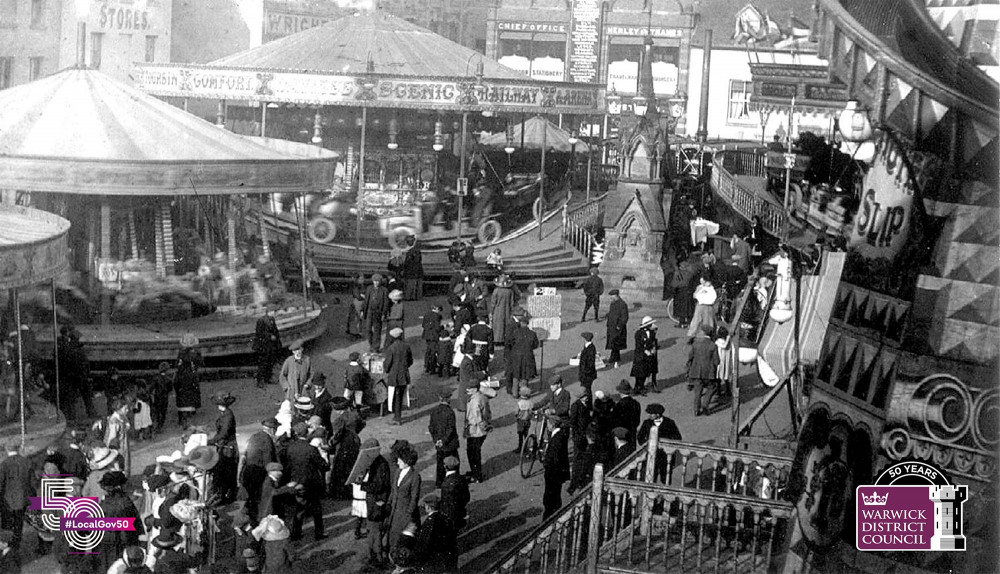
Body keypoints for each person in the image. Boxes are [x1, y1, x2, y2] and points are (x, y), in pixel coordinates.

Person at [281, 423, 328, 541]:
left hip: (296, 482)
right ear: (306, 433)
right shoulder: (311, 449)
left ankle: (296, 533)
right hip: (311, 483)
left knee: (299, 509)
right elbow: (323, 465)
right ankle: (319, 533)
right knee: (317, 509)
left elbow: (287, 467)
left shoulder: (290, 448)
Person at [97, 470, 144, 572]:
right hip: (123, 540)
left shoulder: (106, 503)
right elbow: (135, 524)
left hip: (108, 540)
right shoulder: (125, 501)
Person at [361, 442, 392, 569]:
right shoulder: (378, 463)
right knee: (373, 530)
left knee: (376, 532)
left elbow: (378, 486)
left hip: (377, 503)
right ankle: (374, 556)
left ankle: (377, 558)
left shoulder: (380, 465)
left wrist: (363, 486)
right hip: (374, 503)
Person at [242, 418, 278, 524]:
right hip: (259, 474)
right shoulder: (267, 440)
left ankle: (252, 520)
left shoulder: (255, 436)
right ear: (272, 429)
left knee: (251, 499)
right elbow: (268, 461)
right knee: (261, 499)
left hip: (248, 471)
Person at [387, 446, 421, 554]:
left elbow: (415, 497)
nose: (398, 462)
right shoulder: (398, 472)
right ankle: (392, 555)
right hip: (395, 509)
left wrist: (409, 513)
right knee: (393, 533)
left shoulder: (415, 476)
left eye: (400, 460)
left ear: (407, 461)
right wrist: (389, 503)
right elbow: (393, 490)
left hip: (405, 511)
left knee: (402, 536)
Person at [0, 442, 33, 553]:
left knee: (7, 525)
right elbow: (32, 483)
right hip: (22, 500)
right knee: (19, 524)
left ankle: (8, 548)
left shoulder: (3, 465)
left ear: (6, 450)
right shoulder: (27, 462)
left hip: (7, 502)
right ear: (18, 449)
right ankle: (16, 546)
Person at [412, 493, 458, 573]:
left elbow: (424, 545)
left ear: (428, 507)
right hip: (446, 559)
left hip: (432, 563)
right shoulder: (446, 519)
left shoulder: (429, 523)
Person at [429, 390, 460, 488]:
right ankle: (453, 482)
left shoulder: (434, 411)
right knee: (453, 462)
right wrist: (443, 440)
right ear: (448, 399)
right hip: (449, 444)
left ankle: (439, 482)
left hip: (439, 444)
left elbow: (431, 427)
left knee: (440, 464)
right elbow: (451, 429)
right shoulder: (450, 412)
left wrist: (436, 440)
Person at [383, 327, 413, 425]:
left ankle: (396, 417)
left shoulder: (391, 348)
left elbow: (387, 363)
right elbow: (410, 361)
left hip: (394, 375)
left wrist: (386, 370)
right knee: (400, 395)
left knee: (394, 395)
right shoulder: (406, 346)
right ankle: (398, 416)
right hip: (404, 374)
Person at [690, 324, 721, 416]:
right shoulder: (713, 345)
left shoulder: (696, 343)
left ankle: (696, 409)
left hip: (696, 372)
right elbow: (717, 361)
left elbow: (690, 357)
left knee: (698, 391)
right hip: (708, 373)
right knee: (712, 387)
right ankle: (705, 405)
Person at [542, 417, 570, 519]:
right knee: (555, 497)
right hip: (557, 475)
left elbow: (554, 459)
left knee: (550, 500)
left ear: (552, 425)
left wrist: (546, 464)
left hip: (553, 475)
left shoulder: (556, 439)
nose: (547, 426)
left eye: (548, 424)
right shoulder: (561, 435)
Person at [505, 314, 539, 396]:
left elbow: (510, 342)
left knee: (516, 375)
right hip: (528, 356)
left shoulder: (516, 332)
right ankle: (524, 393)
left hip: (516, 356)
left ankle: (515, 393)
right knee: (525, 375)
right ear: (527, 323)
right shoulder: (532, 334)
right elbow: (535, 345)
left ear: (520, 323)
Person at [463, 384, 491, 484]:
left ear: (475, 389)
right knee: (475, 452)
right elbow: (487, 412)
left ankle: (476, 475)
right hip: (481, 430)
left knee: (472, 453)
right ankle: (475, 472)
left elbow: (477, 416)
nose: (467, 389)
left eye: (469, 388)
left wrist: (483, 426)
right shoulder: (483, 397)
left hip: (475, 430)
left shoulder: (474, 401)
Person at [174, 333, 203, 428]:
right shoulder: (195, 354)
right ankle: (188, 415)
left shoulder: (181, 354)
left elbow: (176, 364)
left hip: (181, 377)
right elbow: (200, 362)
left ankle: (181, 418)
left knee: (181, 396)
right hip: (191, 377)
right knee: (191, 395)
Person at [252, 314, 283, 389]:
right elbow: (259, 333)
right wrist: (269, 336)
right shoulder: (260, 321)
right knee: (262, 364)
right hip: (263, 346)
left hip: (271, 346)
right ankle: (259, 381)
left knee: (270, 363)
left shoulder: (272, 319)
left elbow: (276, 331)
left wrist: (278, 343)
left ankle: (268, 378)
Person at [439, 456, 469, 532]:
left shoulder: (446, 482)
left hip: (449, 513)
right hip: (460, 510)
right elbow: (466, 496)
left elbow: (445, 501)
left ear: (445, 467)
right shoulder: (461, 478)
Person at [489, 274, 517, 354]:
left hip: (498, 310)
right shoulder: (510, 291)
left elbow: (493, 303)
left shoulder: (496, 291)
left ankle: (497, 340)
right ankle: (505, 339)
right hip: (507, 310)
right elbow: (512, 303)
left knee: (498, 325)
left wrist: (491, 311)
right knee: (505, 324)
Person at [630, 316, 658, 395]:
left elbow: (652, 342)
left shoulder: (652, 333)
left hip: (647, 356)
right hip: (640, 355)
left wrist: (652, 349)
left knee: (645, 372)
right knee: (638, 373)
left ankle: (641, 386)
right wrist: (645, 351)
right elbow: (638, 345)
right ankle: (637, 387)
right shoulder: (638, 333)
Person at [363, 274, 391, 353]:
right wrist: (363, 310)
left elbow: (386, 303)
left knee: (377, 330)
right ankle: (371, 344)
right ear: (372, 281)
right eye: (375, 281)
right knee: (368, 329)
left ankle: (376, 347)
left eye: (378, 281)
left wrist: (384, 314)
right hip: (369, 311)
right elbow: (366, 301)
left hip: (378, 312)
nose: (376, 283)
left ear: (380, 281)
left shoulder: (384, 290)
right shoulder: (369, 288)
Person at [611, 380, 641, 446]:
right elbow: (637, 420)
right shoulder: (636, 404)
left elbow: (615, 421)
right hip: (632, 432)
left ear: (620, 392)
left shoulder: (619, 405)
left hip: (622, 434)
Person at [671, 257, 697, 329]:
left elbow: (674, 284)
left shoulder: (678, 274)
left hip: (680, 292)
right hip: (689, 292)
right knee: (689, 308)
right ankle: (689, 323)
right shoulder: (690, 274)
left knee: (681, 308)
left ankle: (681, 323)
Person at [605, 289, 628, 368]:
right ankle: (614, 360)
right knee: (614, 345)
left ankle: (614, 360)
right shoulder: (613, 304)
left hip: (618, 329)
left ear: (616, 295)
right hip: (611, 328)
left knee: (615, 345)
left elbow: (625, 317)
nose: (610, 298)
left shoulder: (622, 304)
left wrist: (619, 326)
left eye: (612, 296)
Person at [150, 362, 172, 435]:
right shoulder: (168, 379)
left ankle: (156, 425)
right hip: (165, 397)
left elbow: (151, 388)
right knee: (163, 412)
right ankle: (160, 426)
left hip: (157, 396)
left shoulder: (156, 378)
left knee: (157, 411)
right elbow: (170, 389)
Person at [402, 236, 424, 302]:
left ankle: (410, 297)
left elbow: (414, 262)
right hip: (415, 271)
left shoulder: (413, 251)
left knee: (411, 284)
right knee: (414, 284)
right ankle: (414, 296)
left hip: (412, 271)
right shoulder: (415, 250)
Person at [422, 305, 443, 375]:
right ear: (437, 309)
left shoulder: (426, 314)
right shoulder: (437, 316)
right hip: (434, 336)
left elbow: (423, 325)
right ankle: (432, 368)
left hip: (427, 335)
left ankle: (427, 366)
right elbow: (437, 327)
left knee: (428, 351)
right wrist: (443, 327)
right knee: (433, 352)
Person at [347, 274, 367, 338]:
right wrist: (363, 296)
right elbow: (357, 296)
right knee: (356, 318)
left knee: (360, 318)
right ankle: (354, 332)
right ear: (357, 280)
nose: (362, 280)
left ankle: (359, 332)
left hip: (361, 303)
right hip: (357, 303)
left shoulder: (363, 286)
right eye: (360, 279)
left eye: (363, 279)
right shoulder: (356, 286)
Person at [514, 386, 533, 453]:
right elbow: (531, 412)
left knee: (520, 435)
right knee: (526, 435)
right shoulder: (530, 403)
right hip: (527, 421)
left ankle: (520, 448)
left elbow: (516, 412)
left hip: (521, 421)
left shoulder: (519, 403)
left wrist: (516, 415)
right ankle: (525, 448)